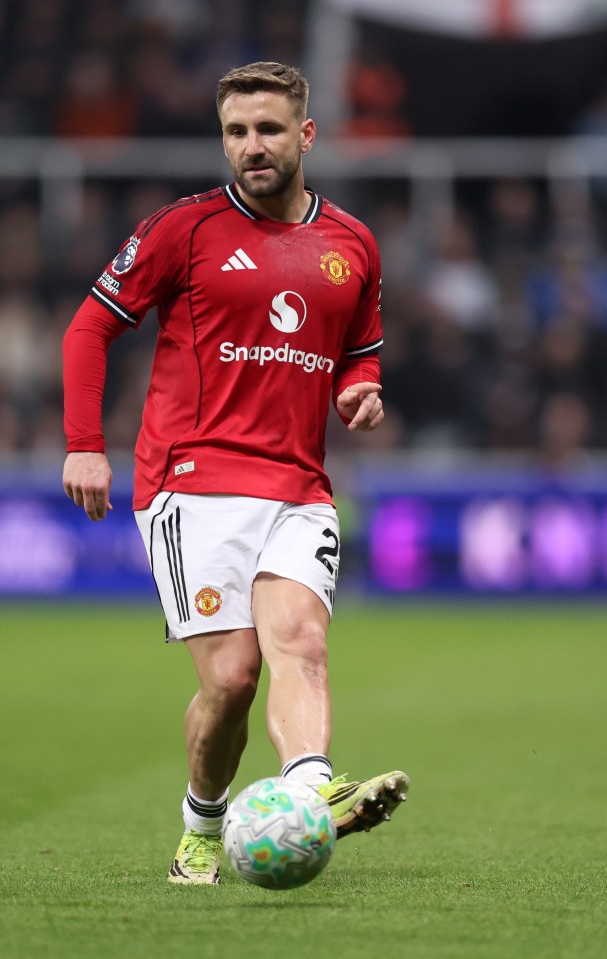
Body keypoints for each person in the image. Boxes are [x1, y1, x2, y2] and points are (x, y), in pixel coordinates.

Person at [62, 61, 409, 885]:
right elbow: (88, 328)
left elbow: (359, 356)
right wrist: (82, 441)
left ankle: (313, 793)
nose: (251, 147)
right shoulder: (180, 230)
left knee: (302, 641)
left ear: (306, 136)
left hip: (298, 485)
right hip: (191, 482)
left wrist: (362, 392)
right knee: (232, 678)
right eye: (236, 132)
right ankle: (201, 825)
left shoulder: (352, 245)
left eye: (268, 130)